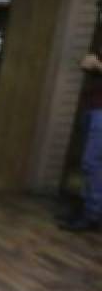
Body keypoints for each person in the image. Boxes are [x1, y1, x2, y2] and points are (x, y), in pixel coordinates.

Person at [59, 52, 102, 232]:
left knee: (92, 164)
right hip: (92, 107)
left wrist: (98, 67)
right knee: (87, 164)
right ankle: (84, 209)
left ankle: (92, 214)